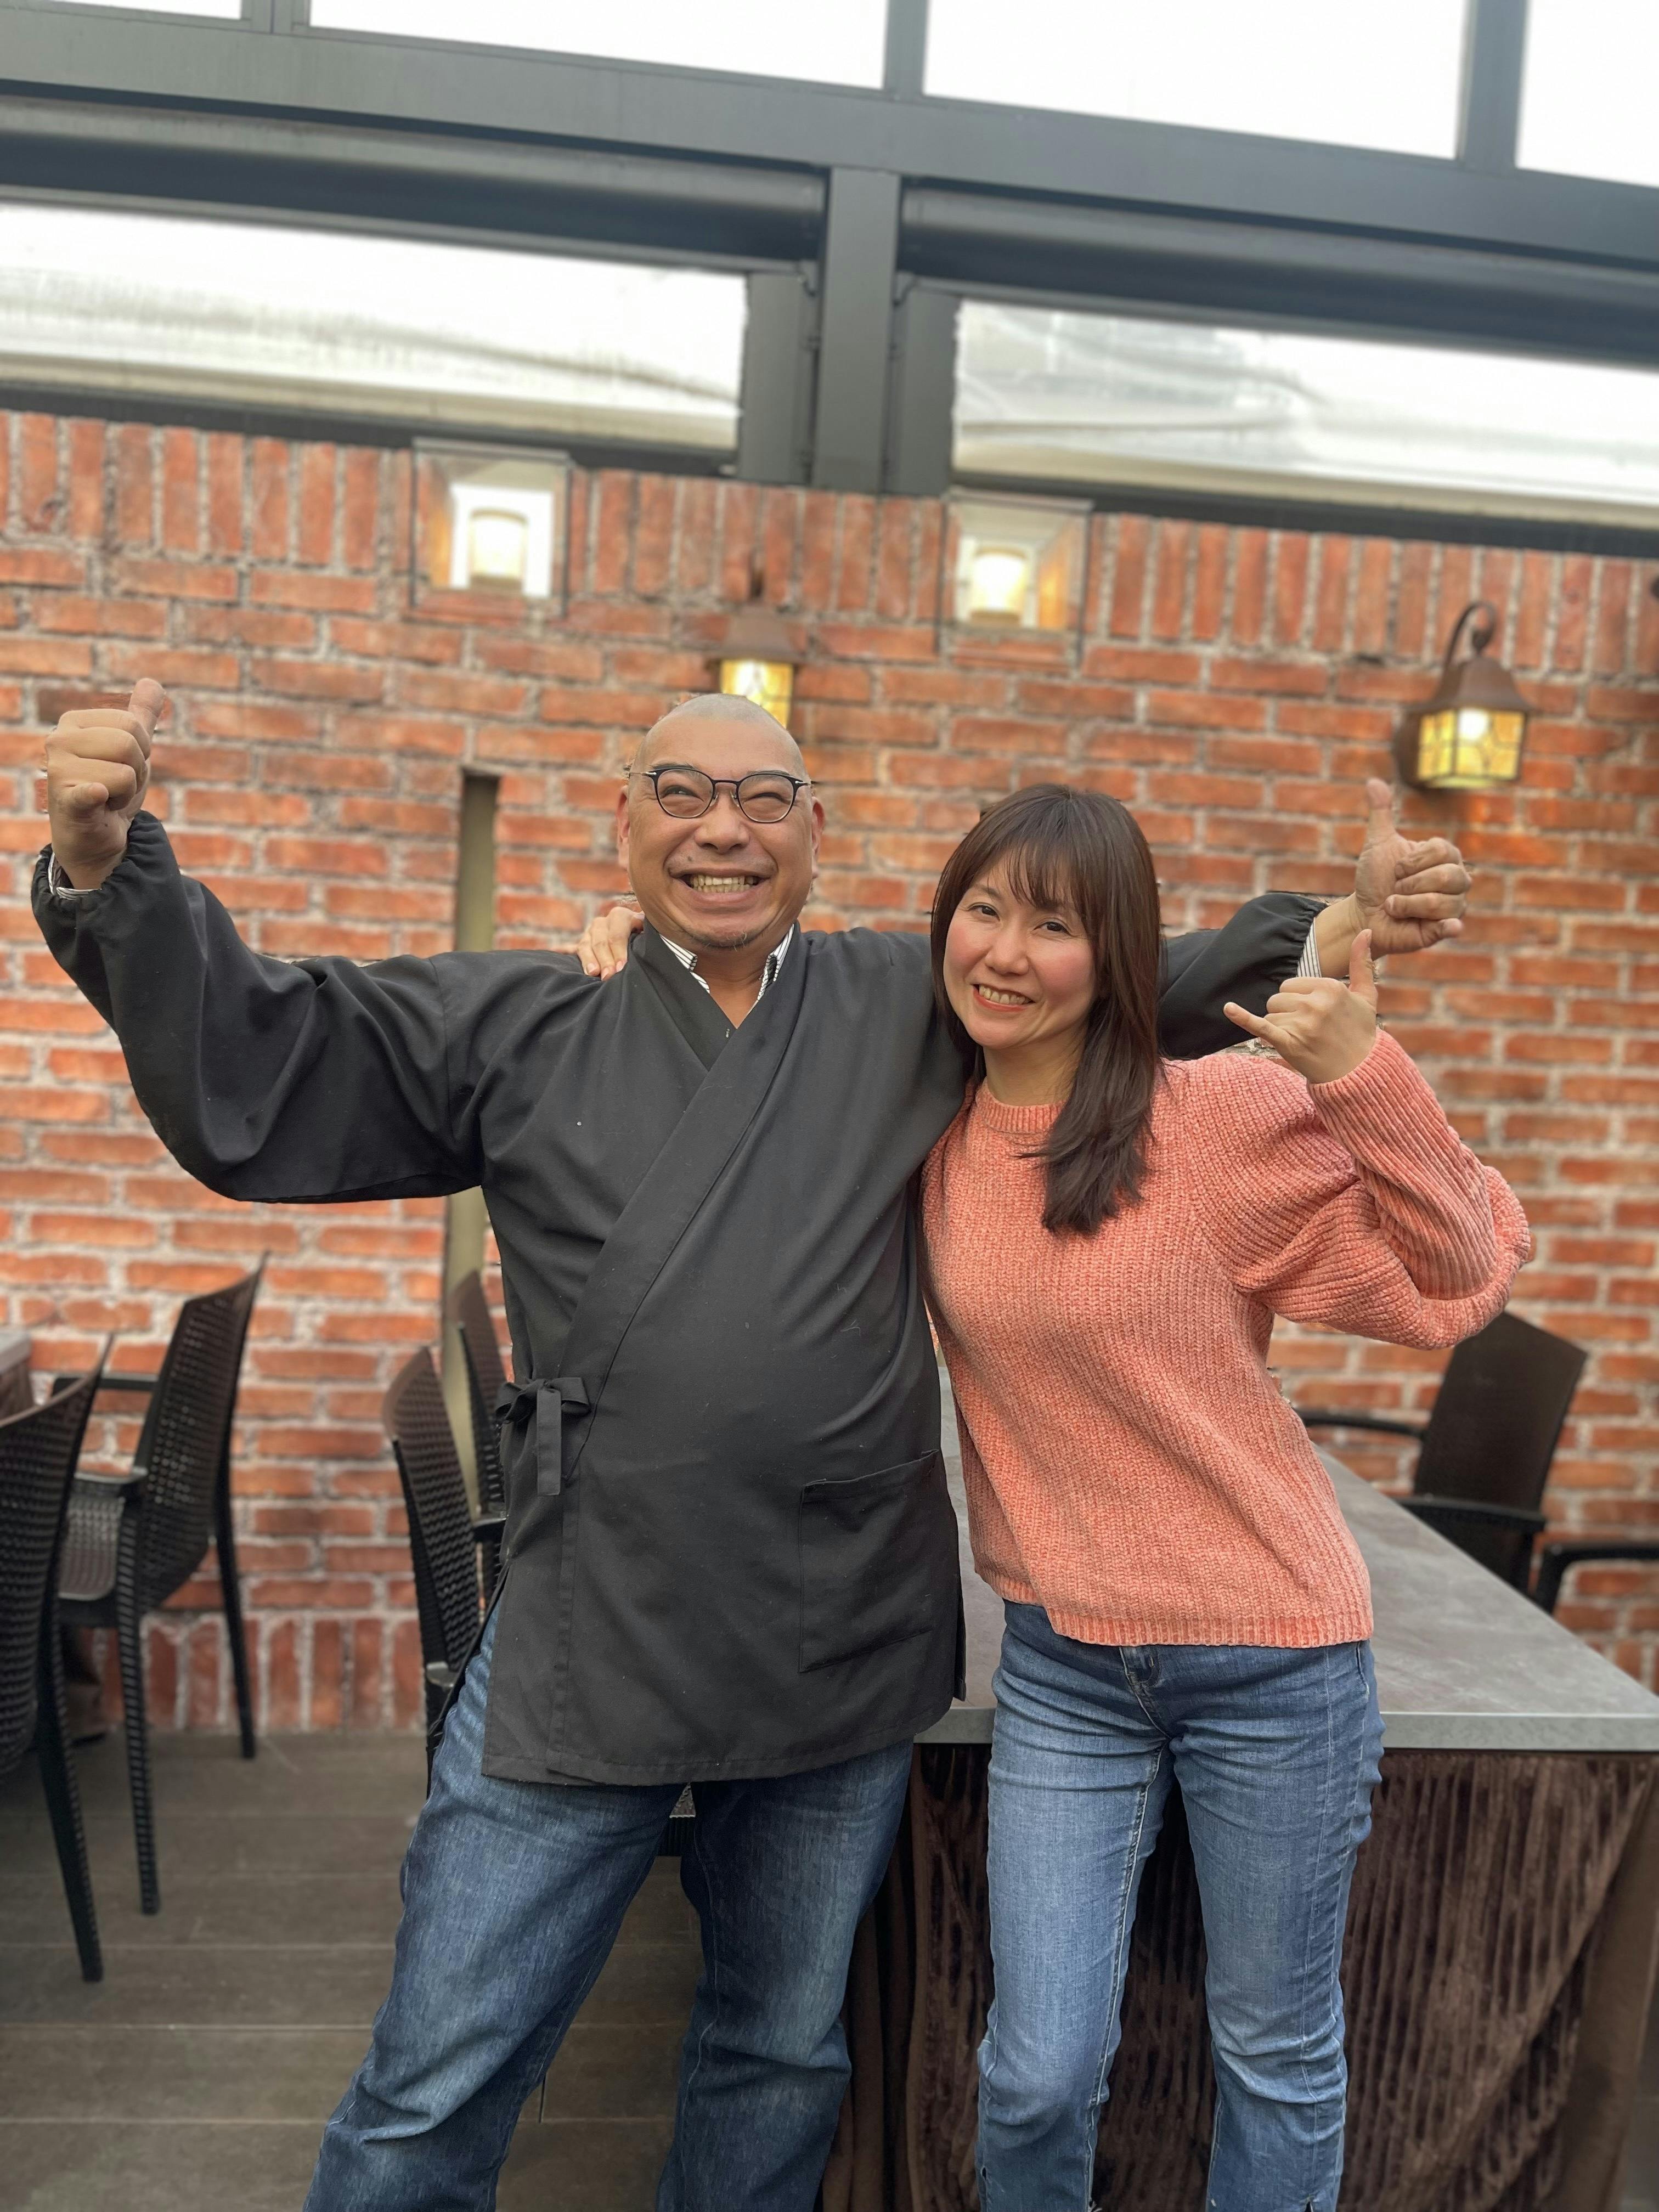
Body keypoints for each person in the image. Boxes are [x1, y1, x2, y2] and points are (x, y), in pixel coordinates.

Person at [35, 679, 1471, 2212]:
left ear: (815, 833)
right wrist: (106, 868)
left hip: (835, 1624)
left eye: (762, 798)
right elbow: (279, 1048)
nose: (722, 828)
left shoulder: (910, 1001)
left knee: (780, 2052)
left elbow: (1120, 976)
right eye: (681, 794)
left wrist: (1339, 920)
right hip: (601, 1613)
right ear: (625, 823)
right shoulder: (524, 1018)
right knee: (436, 2069)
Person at [915, 782, 1529, 2212]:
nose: (1005, 952)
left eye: (1055, 926)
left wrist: (1366, 1071)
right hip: (1066, 1665)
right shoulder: (923, 1130)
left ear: (1120, 958)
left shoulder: (1211, 1118)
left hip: (1273, 1660)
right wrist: (630, 938)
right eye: (984, 910)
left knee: (1275, 2051)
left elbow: (1459, 1280)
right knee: (1037, 2070)